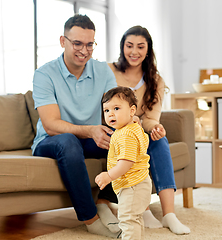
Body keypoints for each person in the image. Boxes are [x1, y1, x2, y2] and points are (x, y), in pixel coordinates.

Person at [31, 14, 121, 238]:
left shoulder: (102, 71)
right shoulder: (45, 74)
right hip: (50, 142)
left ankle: (104, 201)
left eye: (90, 44)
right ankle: (91, 220)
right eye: (77, 43)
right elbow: (51, 125)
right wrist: (90, 130)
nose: (84, 50)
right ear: (63, 41)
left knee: (125, 139)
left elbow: (116, 109)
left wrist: (129, 122)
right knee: (69, 142)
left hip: (85, 139)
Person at [108, 25, 191, 235]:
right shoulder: (109, 71)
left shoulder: (156, 80)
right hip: (116, 131)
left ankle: (169, 214)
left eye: (140, 46)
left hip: (139, 129)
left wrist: (156, 128)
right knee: (133, 140)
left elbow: (151, 118)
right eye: (129, 46)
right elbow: (105, 108)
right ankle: (142, 209)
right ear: (122, 47)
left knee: (159, 141)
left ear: (148, 50)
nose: (134, 52)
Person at [96, 86, 152, 240]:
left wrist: (108, 176)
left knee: (127, 219)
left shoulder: (125, 134)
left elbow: (126, 162)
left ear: (132, 110)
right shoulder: (133, 129)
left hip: (132, 185)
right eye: (106, 110)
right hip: (139, 182)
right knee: (135, 218)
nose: (111, 113)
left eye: (116, 108)